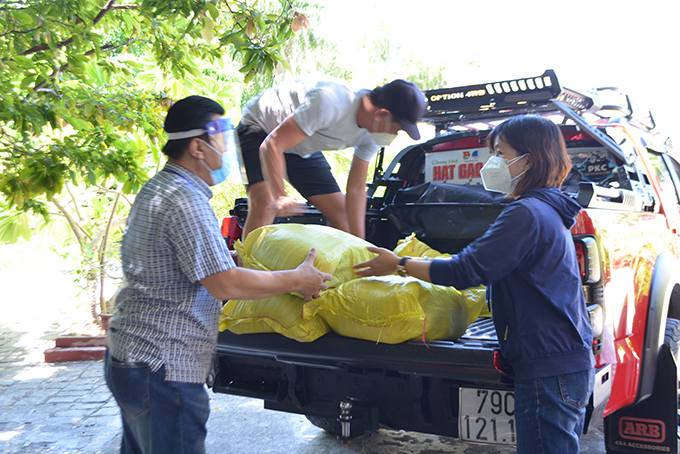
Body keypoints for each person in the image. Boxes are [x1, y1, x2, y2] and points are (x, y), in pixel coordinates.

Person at [353, 115, 595, 454]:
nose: (492, 162)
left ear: (529, 158)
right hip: (561, 361)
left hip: (548, 368)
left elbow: (466, 270)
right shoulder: (545, 210)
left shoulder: (526, 214)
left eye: (500, 153)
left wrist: (399, 264)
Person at [105, 95, 332, 454]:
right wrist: (297, 279)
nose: (227, 148)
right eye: (222, 137)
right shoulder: (185, 200)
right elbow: (224, 282)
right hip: (164, 367)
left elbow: (180, 263)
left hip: (131, 358)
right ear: (198, 146)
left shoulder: (159, 189)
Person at [237, 75, 428, 239]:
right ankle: (245, 277)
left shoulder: (373, 134)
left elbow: (355, 189)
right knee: (265, 203)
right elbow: (272, 145)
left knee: (342, 215)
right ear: (382, 115)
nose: (394, 135)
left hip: (299, 145)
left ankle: (340, 276)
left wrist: (360, 245)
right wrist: (280, 196)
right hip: (259, 129)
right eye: (398, 129)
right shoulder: (331, 101)